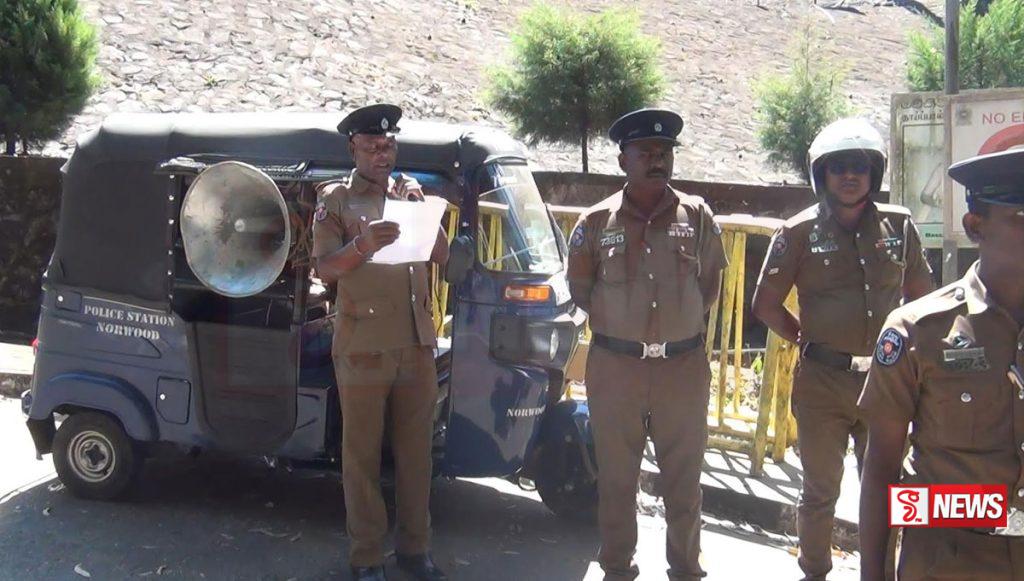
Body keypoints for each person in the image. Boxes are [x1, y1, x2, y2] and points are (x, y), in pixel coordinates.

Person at [751, 118, 933, 581]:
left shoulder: (899, 225)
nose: (850, 175)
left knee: (888, 491)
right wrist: (805, 340)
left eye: (859, 166)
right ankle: (815, 572)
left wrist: (911, 359)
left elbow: (924, 301)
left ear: (874, 172)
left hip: (886, 383)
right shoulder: (797, 232)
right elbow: (765, 304)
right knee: (819, 492)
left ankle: (880, 575)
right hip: (823, 384)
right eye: (839, 167)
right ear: (822, 175)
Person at [567, 108, 727, 580]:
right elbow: (581, 290)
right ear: (623, 160)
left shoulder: (697, 216)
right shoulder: (596, 222)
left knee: (684, 481)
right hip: (616, 367)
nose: (657, 160)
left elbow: (711, 285)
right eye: (646, 153)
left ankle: (685, 569)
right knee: (617, 479)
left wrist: (675, 329)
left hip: (682, 367)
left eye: (664, 153)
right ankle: (617, 567)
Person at [859, 147, 1024, 581]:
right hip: (949, 560)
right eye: (1021, 217)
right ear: (975, 226)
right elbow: (881, 469)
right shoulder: (919, 331)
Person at [312, 103, 449, 581]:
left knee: (417, 455)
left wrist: (423, 211)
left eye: (389, 145)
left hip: (414, 344)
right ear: (353, 148)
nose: (382, 154)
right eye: (372, 146)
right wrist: (362, 246)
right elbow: (324, 268)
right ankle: (367, 557)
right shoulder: (336, 200)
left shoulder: (409, 191)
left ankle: (415, 550)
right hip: (363, 345)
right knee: (362, 457)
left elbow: (441, 255)